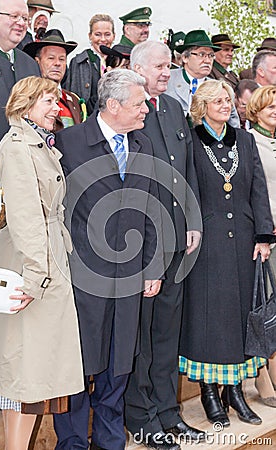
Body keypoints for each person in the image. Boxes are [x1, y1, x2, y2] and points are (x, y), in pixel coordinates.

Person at [53, 69, 164, 450]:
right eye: (139, 104)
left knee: (119, 361)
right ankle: (71, 442)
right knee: (80, 361)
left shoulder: (144, 145)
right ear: (112, 105)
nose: (146, 110)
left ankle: (109, 440)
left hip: (130, 275)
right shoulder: (68, 143)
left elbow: (151, 207)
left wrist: (152, 266)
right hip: (81, 276)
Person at [0, 75, 84, 450]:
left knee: (26, 378)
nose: (57, 108)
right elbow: (24, 217)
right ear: (24, 105)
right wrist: (37, 278)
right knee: (24, 377)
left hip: (41, 259)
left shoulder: (35, 144)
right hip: (31, 265)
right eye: (48, 102)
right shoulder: (20, 147)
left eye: (56, 101)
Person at [179, 79, 275, 428]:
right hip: (207, 244)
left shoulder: (246, 140)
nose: (227, 105)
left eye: (228, 99)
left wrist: (264, 235)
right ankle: (209, 393)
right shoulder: (190, 142)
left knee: (238, 318)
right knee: (209, 319)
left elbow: (258, 190)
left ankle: (233, 392)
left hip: (245, 242)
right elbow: (186, 190)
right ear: (202, 107)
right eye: (218, 100)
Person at [124, 40, 204, 450]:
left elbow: (186, 167)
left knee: (167, 333)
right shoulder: (127, 110)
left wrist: (192, 220)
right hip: (140, 243)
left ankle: (169, 413)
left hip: (176, 241)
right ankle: (142, 419)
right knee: (142, 335)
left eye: (167, 66)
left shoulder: (172, 108)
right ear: (137, 68)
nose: (164, 71)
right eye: (158, 65)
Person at [0, 0, 40, 387]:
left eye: (24, 17)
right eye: (12, 16)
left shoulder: (30, 66)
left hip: (21, 191)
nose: (20, 23)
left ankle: (1, 367)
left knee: (7, 282)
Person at [246, 85, 276, 408]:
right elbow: (252, 191)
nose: (275, 112)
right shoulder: (250, 141)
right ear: (256, 110)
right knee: (265, 306)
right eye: (270, 108)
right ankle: (261, 372)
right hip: (267, 234)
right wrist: (263, 232)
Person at [166, 29, 240, 128]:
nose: (207, 60)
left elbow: (233, 121)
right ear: (185, 58)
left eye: (211, 56)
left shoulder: (217, 86)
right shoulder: (167, 79)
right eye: (201, 55)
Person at [23, 28, 87, 130]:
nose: (57, 63)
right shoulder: (28, 97)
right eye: (51, 58)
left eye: (62, 59)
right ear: (37, 61)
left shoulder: (75, 100)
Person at [63, 13, 115, 115]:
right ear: (90, 36)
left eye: (107, 34)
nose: (103, 39)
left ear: (114, 36)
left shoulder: (119, 62)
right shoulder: (79, 62)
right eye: (98, 34)